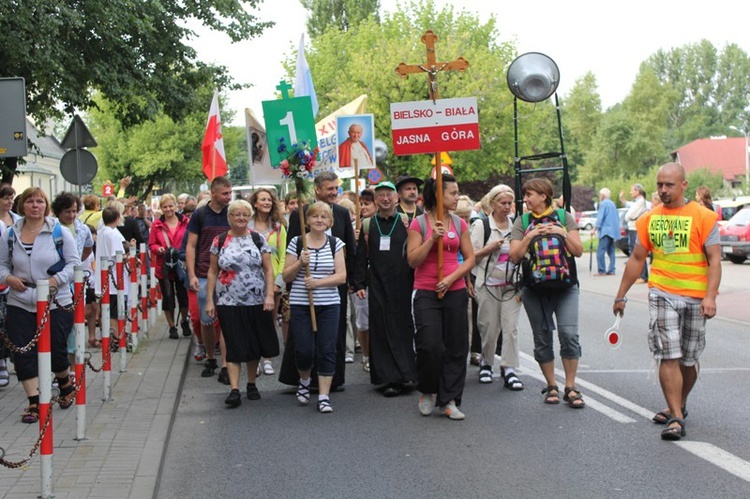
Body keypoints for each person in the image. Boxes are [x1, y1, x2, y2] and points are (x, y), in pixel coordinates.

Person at [613, 162, 721, 441]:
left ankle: (679, 405)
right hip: (662, 292)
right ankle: (675, 417)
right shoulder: (649, 218)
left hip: (696, 298)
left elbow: (715, 260)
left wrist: (710, 296)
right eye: (659, 184)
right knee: (667, 353)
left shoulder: (704, 217)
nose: (662, 190)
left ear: (684, 185)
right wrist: (621, 295)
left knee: (689, 358)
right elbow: (637, 259)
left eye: (669, 185)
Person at [0, 187, 81, 422]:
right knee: (23, 351)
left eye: (39, 201)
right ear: (22, 205)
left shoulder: (59, 232)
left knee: (56, 350)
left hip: (56, 300)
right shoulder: (10, 234)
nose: (35, 206)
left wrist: (54, 281)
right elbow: (2, 265)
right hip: (21, 299)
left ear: (46, 206)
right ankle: (35, 403)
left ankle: (65, 383)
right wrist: (9, 279)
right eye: (30, 202)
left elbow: (73, 265)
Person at [509, 178, 585, 408]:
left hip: (565, 286)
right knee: (542, 337)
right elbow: (514, 256)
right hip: (534, 288)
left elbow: (579, 251)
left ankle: (570, 386)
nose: (526, 199)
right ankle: (551, 384)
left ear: (543, 196)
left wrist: (562, 232)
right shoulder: (522, 222)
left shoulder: (564, 217)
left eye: (530, 194)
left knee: (569, 335)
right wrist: (530, 235)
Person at [279, 171, 356, 392]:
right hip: (305, 287)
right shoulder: (300, 215)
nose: (334, 192)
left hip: (334, 286)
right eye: (329, 189)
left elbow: (351, 249)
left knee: (332, 336)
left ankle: (333, 379)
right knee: (303, 337)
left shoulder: (341, 213)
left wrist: (354, 281)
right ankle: (302, 378)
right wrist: (293, 282)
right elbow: (292, 250)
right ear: (318, 189)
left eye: (336, 188)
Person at [407, 174, 475, 420]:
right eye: (453, 193)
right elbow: (412, 260)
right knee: (429, 346)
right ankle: (427, 389)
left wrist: (451, 278)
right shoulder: (419, 224)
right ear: (438, 194)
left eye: (457, 193)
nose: (457, 197)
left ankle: (449, 400)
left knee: (457, 347)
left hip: (454, 291)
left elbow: (470, 258)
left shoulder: (459, 224)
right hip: (426, 291)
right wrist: (432, 239)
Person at [205, 199, 278, 407]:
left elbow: (268, 269)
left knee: (254, 342)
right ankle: (234, 389)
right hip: (229, 301)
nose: (241, 218)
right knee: (234, 343)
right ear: (229, 217)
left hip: (256, 300)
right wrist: (210, 300)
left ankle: (252, 383)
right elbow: (212, 271)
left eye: (245, 214)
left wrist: (270, 295)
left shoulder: (257, 239)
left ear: (249, 217)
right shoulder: (219, 241)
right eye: (236, 214)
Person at [282, 201, 346, 413]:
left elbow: (341, 276)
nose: (319, 220)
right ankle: (304, 380)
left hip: (329, 304)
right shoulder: (297, 242)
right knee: (304, 350)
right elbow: (286, 275)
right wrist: (300, 263)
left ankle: (324, 395)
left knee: (327, 349)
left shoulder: (336, 243)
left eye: (324, 217)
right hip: (301, 304)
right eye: (315, 216)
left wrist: (318, 283)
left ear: (330, 222)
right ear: (307, 220)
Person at [354, 182, 417, 397]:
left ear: (396, 198)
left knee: (403, 326)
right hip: (378, 283)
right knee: (380, 328)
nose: (385, 198)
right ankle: (387, 379)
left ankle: (407, 375)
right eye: (380, 195)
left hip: (404, 283)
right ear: (375, 200)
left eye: (389, 194)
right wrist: (359, 284)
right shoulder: (368, 225)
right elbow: (360, 256)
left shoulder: (407, 222)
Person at [471, 185, 524, 390]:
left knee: (510, 328)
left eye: (510, 203)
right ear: (492, 203)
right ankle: (486, 363)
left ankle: (509, 368)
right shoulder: (481, 226)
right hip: (487, 286)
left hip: (511, 287)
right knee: (488, 327)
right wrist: (489, 248)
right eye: (503, 203)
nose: (507, 207)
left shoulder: (516, 226)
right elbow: (471, 257)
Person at [185, 177, 232, 382]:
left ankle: (224, 364)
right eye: (225, 193)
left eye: (230, 193)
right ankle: (211, 357)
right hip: (204, 274)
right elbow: (191, 245)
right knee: (207, 319)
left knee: (226, 320)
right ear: (213, 193)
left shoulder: (231, 213)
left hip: (228, 275)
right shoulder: (200, 214)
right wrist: (192, 274)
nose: (229, 197)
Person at [51, 192, 95, 366]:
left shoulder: (82, 228)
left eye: (74, 211)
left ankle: (73, 361)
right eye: (67, 211)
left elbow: (89, 247)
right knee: (58, 325)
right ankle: (59, 364)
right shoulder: (51, 228)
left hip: (75, 281)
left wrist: (77, 263)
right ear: (58, 212)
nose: (71, 215)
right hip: (57, 280)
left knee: (74, 322)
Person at [248, 188, 287, 375]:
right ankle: (253, 358)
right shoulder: (245, 226)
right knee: (252, 320)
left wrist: (279, 281)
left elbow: (284, 255)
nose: (266, 203)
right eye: (262, 199)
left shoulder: (279, 227)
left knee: (270, 319)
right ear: (255, 203)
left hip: (272, 280)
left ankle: (268, 358)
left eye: (269, 200)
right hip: (250, 281)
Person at [149, 194, 190, 339]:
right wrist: (158, 249)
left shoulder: (185, 222)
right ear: (161, 208)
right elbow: (152, 244)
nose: (168, 209)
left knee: (184, 297)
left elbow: (191, 241)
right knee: (168, 298)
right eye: (165, 207)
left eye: (170, 206)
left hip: (181, 265)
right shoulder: (157, 225)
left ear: (176, 206)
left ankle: (184, 320)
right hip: (164, 267)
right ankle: (172, 326)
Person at [621, 183, 649, 283]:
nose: (630, 192)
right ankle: (639, 275)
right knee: (634, 252)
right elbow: (628, 206)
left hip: (635, 228)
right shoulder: (637, 202)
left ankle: (643, 275)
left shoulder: (640, 202)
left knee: (638, 253)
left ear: (637, 191)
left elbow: (629, 215)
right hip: (633, 228)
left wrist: (627, 217)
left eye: (632, 190)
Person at [594, 188, 620, 276]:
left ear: (603, 195)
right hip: (613, 231)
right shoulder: (612, 204)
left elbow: (600, 217)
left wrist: (595, 228)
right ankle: (612, 269)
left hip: (605, 231)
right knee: (611, 251)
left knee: (600, 251)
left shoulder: (603, 204)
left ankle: (602, 270)